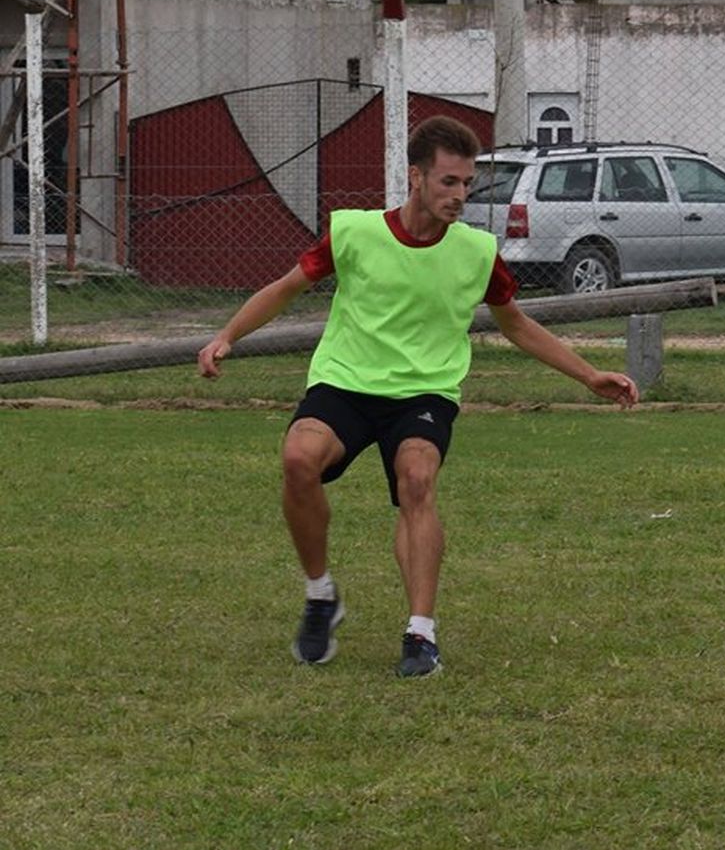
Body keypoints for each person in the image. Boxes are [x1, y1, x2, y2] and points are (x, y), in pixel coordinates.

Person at [198, 115, 638, 678]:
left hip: (424, 392)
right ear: (416, 177)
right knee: (297, 459)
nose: (460, 195)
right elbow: (287, 287)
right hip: (345, 382)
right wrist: (227, 335)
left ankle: (420, 634)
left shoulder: (477, 253)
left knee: (417, 479)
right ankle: (320, 595)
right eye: (448, 182)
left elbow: (518, 325)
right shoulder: (356, 233)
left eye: (466, 184)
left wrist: (588, 375)